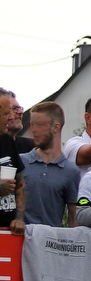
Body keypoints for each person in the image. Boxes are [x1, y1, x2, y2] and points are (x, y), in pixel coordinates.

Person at [21, 102, 79, 228]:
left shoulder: (71, 171)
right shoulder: (20, 163)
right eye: (32, 124)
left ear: (56, 127)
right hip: (19, 239)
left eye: (40, 125)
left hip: (51, 242)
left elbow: (73, 219)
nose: (33, 130)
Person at [0, 92, 27, 235]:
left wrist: (19, 218)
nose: (11, 117)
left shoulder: (7, 140)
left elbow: (20, 182)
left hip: (10, 232)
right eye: (6, 113)